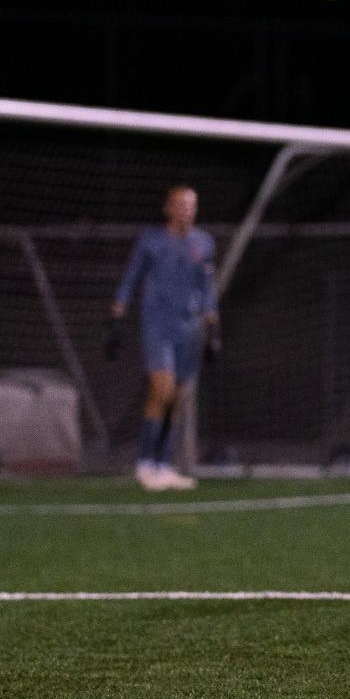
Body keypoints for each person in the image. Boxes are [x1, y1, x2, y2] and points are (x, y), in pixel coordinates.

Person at [110, 184, 221, 492]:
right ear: (168, 208)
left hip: (190, 329)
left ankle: (164, 464)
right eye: (182, 205)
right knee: (162, 389)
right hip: (158, 326)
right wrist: (116, 319)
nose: (188, 210)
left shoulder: (204, 243)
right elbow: (130, 278)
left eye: (192, 205)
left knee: (177, 397)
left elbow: (207, 287)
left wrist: (213, 329)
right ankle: (145, 463)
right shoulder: (151, 241)